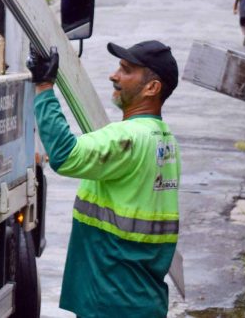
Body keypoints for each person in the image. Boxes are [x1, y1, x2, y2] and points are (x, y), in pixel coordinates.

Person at [27, 41, 181, 318]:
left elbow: (64, 155)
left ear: (152, 88)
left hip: (113, 300)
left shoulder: (129, 138)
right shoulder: (165, 139)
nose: (114, 75)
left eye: (126, 70)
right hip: (140, 298)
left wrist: (44, 86)